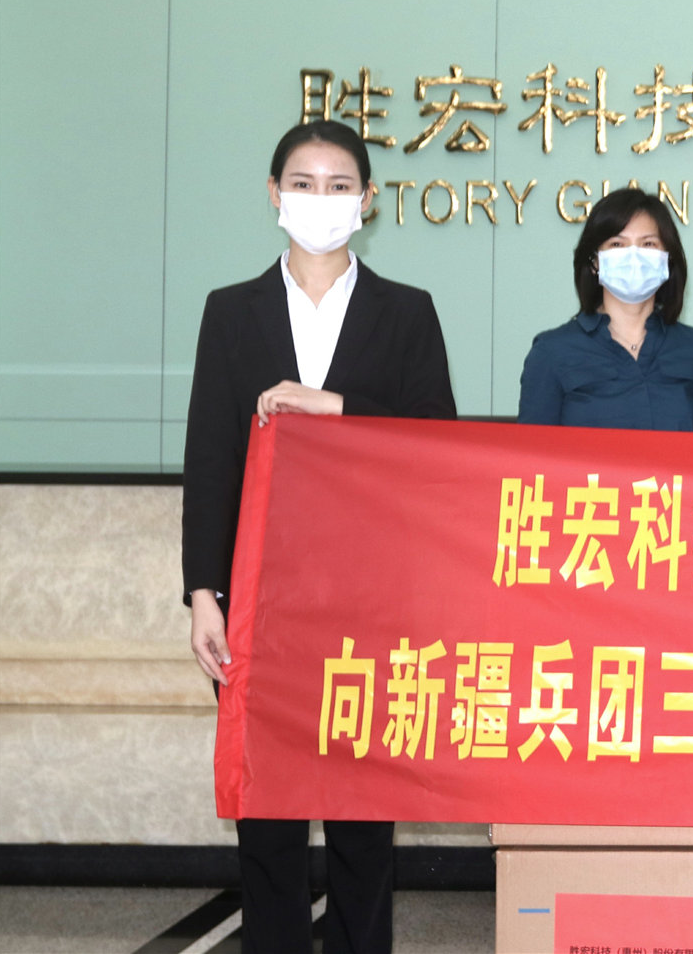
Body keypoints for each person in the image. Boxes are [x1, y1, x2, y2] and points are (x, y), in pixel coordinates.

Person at [182, 119, 456, 954]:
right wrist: (203, 595)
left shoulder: (407, 312)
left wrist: (335, 408)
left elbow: (435, 446)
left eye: (340, 186)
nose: (320, 200)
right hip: (262, 598)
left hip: (371, 599)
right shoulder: (231, 312)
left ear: (367, 202)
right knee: (266, 814)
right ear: (274, 194)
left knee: (363, 817)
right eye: (303, 183)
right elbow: (211, 459)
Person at [519, 187, 693, 430]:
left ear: (668, 259)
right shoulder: (552, 352)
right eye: (617, 244)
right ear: (594, 262)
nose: (634, 257)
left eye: (648, 243)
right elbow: (532, 449)